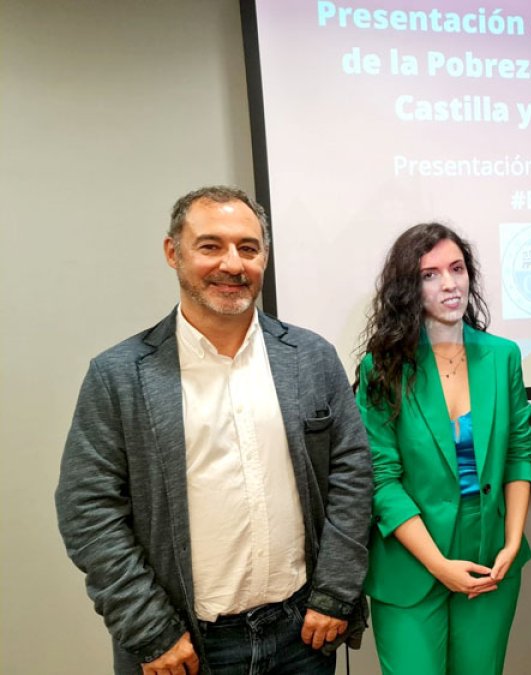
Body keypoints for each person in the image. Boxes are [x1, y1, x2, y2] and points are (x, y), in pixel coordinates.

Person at [55, 186, 373, 675]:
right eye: (210, 246)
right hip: (187, 648)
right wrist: (150, 630)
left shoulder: (311, 358)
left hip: (303, 636)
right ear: (172, 252)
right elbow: (87, 509)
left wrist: (335, 594)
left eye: (248, 248)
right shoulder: (119, 375)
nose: (233, 264)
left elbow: (352, 476)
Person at [355, 223, 531, 675]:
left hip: (489, 556)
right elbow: (383, 479)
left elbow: (517, 453)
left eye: (456, 269)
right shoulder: (382, 367)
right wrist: (438, 564)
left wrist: (511, 541)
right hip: (411, 563)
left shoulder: (504, 356)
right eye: (429, 274)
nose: (449, 284)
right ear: (407, 289)